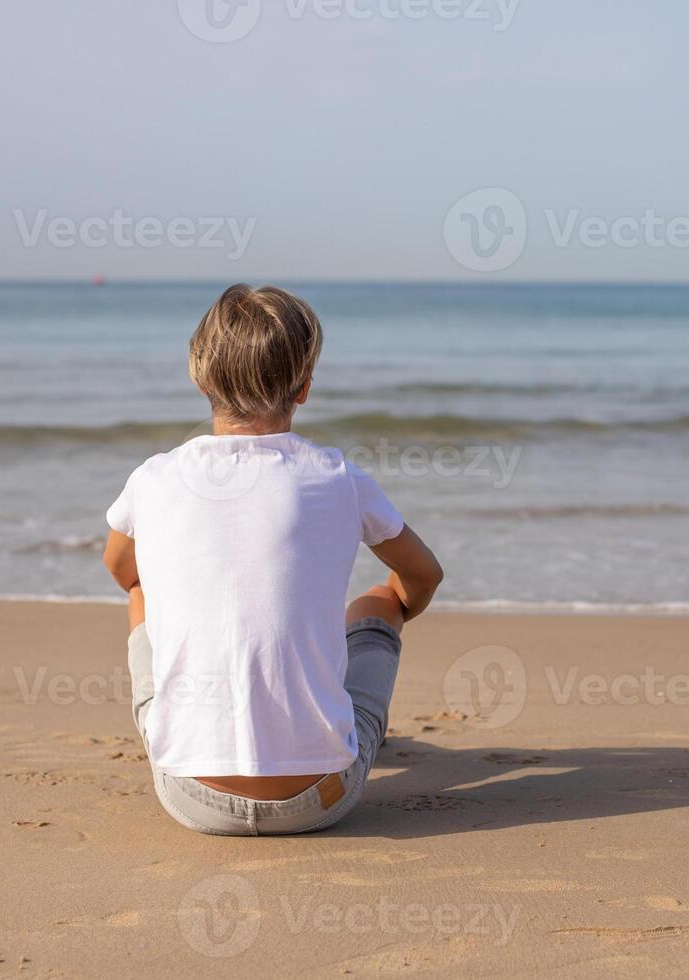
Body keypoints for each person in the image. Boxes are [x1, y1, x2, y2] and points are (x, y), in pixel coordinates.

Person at [101, 284, 442, 835]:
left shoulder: (154, 477)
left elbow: (120, 570)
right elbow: (425, 573)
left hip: (190, 796)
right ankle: (320, 723)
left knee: (142, 594)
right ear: (304, 387)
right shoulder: (337, 477)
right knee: (377, 601)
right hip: (320, 799)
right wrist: (400, 603)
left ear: (198, 377)